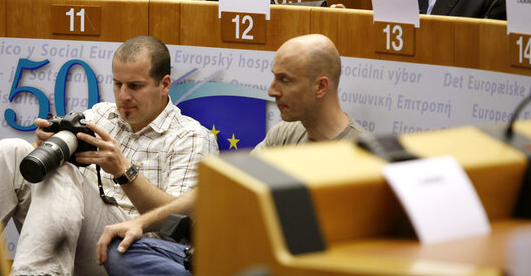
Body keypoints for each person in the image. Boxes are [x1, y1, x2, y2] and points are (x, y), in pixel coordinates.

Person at [97, 34, 364, 275]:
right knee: (120, 251)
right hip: (230, 259)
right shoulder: (285, 134)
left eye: (285, 80)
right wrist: (141, 223)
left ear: (320, 87)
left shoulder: (359, 157)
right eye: (274, 77)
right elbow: (217, 189)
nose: (272, 91)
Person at [0, 35, 218, 275]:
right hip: (73, 234)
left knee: (64, 172)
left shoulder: (192, 137)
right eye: (117, 84)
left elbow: (176, 225)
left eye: (135, 86)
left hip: (133, 251)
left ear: (164, 85)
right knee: (11, 150)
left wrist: (124, 172)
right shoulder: (101, 115)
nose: (123, 96)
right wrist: (43, 145)